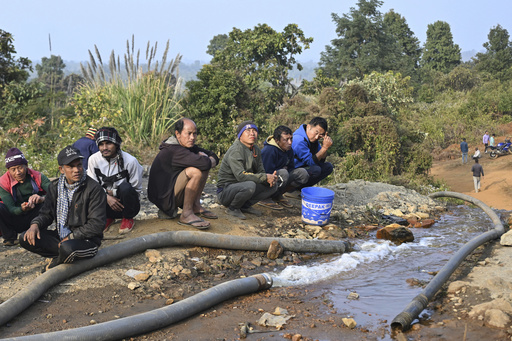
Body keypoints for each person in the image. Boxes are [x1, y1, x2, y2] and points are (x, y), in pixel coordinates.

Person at [19, 146, 106, 272]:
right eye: (71, 166)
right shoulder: (55, 187)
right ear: (61, 169)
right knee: (25, 238)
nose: (76, 170)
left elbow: (96, 225)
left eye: (79, 165)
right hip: (61, 237)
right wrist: (35, 224)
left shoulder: (93, 189)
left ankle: (56, 263)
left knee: (68, 248)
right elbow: (46, 214)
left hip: (86, 241)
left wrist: (71, 238)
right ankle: (64, 255)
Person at [148, 118, 219, 229]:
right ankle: (186, 215)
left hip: (172, 192)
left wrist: (207, 160)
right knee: (195, 172)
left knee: (202, 166)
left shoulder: (186, 146)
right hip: (164, 199)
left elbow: (213, 155)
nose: (192, 138)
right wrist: (207, 160)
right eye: (188, 134)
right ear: (178, 134)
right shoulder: (173, 150)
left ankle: (195, 206)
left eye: (194, 134)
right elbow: (206, 162)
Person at [217, 120, 278, 220]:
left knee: (272, 186)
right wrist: (265, 177)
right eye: (248, 130)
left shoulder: (256, 149)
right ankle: (233, 208)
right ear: (240, 135)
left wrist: (270, 178)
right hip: (226, 191)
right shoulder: (236, 150)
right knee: (250, 185)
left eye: (254, 130)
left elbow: (260, 171)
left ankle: (244, 206)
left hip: (244, 185)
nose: (252, 133)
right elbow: (241, 176)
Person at [87, 127, 143, 234]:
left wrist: (113, 193)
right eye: (101, 144)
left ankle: (127, 218)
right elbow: (92, 185)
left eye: (108, 143)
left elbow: (135, 190)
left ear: (116, 144)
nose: (104, 148)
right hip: (104, 204)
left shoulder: (130, 161)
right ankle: (107, 218)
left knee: (125, 187)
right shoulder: (93, 160)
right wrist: (107, 197)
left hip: (126, 205)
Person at [0, 148, 51, 246]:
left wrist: (42, 199)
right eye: (13, 170)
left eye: (20, 167)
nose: (18, 172)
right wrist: (21, 209)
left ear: (26, 166)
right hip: (15, 218)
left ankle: (42, 233)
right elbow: (10, 208)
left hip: (36, 217)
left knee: (49, 202)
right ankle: (10, 238)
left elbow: (55, 192)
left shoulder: (38, 176)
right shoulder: (3, 182)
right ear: (8, 170)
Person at [259, 125, 309, 209]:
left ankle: (277, 195)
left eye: (291, 139)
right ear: (277, 140)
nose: (290, 142)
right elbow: (264, 174)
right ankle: (264, 197)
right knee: (283, 173)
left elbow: (291, 168)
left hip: (280, 178)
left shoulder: (289, 150)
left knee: (302, 173)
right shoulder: (269, 151)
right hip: (265, 182)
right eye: (286, 140)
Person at [290, 117, 334, 197]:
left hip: (303, 168)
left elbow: (321, 160)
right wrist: (324, 148)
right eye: (316, 133)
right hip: (291, 171)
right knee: (315, 170)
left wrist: (325, 146)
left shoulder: (314, 141)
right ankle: (291, 190)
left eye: (320, 135)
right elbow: (311, 162)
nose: (317, 137)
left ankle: (301, 189)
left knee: (328, 167)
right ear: (308, 127)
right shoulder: (299, 140)